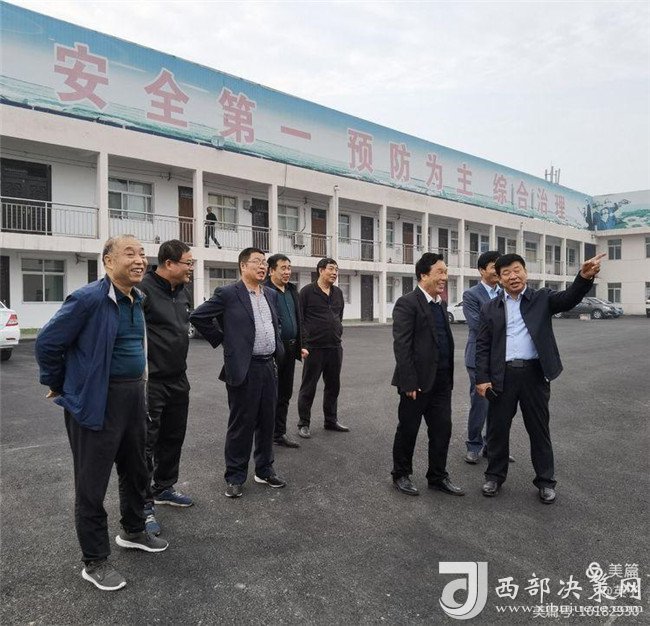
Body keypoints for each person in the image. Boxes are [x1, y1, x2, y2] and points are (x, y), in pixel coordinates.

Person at [35, 235, 168, 592]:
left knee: (136, 469)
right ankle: (94, 560)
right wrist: (61, 384)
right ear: (108, 261)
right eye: (130, 253)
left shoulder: (137, 298)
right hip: (97, 400)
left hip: (133, 396)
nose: (139, 260)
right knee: (91, 484)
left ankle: (134, 530)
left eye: (142, 254)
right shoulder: (88, 299)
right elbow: (47, 342)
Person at [476, 252, 606, 504]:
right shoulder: (490, 307)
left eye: (517, 270)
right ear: (499, 279)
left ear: (526, 272)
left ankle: (545, 481)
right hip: (502, 376)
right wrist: (482, 378)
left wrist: (583, 277)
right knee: (497, 430)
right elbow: (482, 345)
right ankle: (494, 476)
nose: (513, 276)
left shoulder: (542, 298)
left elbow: (569, 299)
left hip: (534, 374)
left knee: (539, 430)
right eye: (506, 273)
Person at [189, 247, 286, 498]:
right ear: (243, 266)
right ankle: (235, 476)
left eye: (264, 262)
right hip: (245, 368)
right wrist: (225, 340)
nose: (263, 266)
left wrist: (278, 343)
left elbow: (276, 322)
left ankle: (264, 469)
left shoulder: (271, 294)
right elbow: (198, 317)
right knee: (241, 424)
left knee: (267, 421)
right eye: (257, 262)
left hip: (269, 366)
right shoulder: (228, 293)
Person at [391, 252, 465, 497]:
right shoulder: (407, 303)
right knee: (408, 429)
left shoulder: (440, 304)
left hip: (441, 382)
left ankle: (437, 476)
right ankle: (401, 474)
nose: (445, 277)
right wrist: (409, 381)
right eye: (440, 272)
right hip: (416, 383)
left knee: (442, 430)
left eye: (446, 272)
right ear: (423, 275)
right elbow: (402, 345)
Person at [139, 240, 194, 537]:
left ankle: (164, 488)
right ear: (169, 263)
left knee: (174, 436)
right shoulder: (143, 291)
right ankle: (143, 504)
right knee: (146, 443)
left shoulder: (183, 292)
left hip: (178, 378)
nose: (191, 268)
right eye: (188, 263)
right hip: (152, 381)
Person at [462, 250, 512, 464]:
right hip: (478, 357)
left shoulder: (506, 292)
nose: (498, 271)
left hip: (502, 358)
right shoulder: (471, 295)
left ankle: (493, 447)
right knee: (480, 402)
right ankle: (474, 445)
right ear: (482, 270)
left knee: (499, 405)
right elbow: (476, 325)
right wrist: (506, 327)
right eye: (494, 267)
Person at [296, 257, 349, 438]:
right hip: (314, 348)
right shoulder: (307, 292)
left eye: (336, 270)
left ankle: (331, 420)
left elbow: (339, 316)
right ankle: (304, 423)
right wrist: (303, 344)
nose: (334, 273)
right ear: (321, 270)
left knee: (333, 386)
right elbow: (300, 320)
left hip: (334, 347)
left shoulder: (338, 293)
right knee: (308, 387)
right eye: (331, 269)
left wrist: (337, 331)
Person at [264, 254, 307, 448]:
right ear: (271, 270)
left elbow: (300, 320)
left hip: (291, 348)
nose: (287, 271)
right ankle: (264, 433)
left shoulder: (292, 291)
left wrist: (302, 344)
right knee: (269, 394)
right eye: (283, 268)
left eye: (289, 268)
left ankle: (278, 433)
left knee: (285, 393)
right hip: (273, 350)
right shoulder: (264, 291)